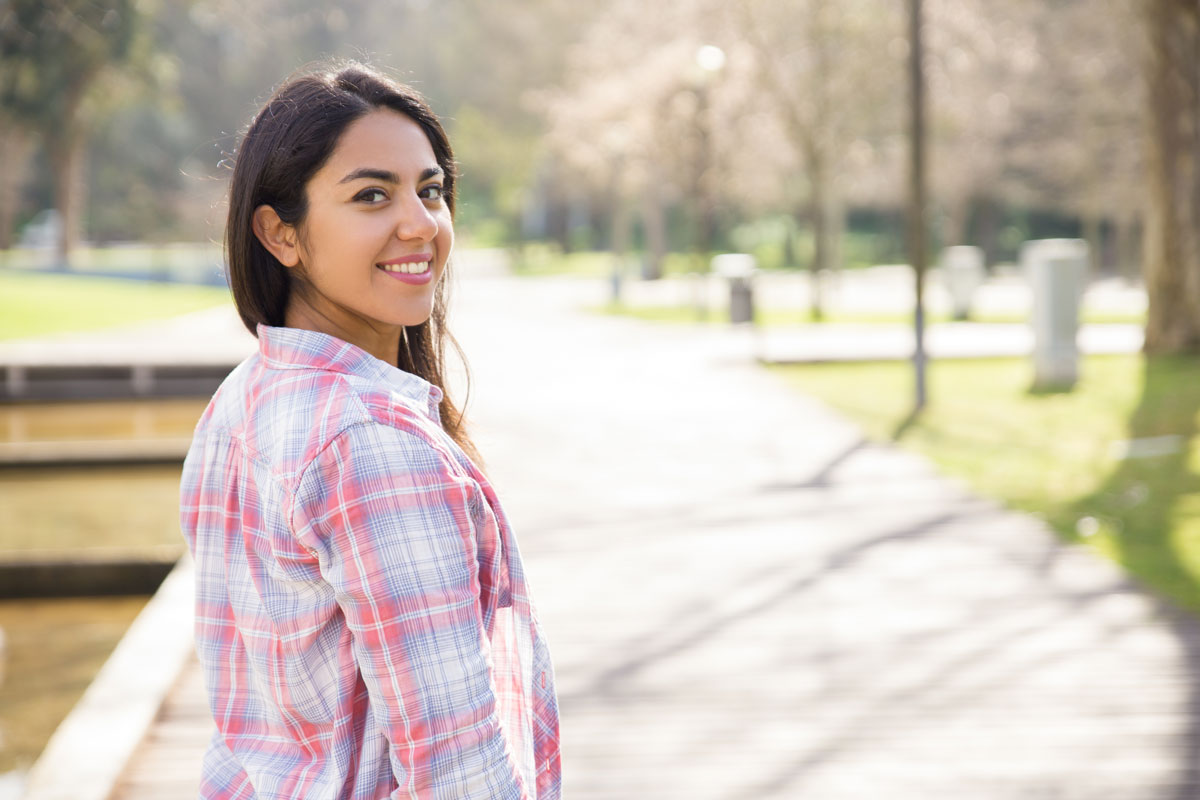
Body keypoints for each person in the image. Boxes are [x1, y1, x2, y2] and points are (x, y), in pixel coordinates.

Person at [180, 62, 561, 799]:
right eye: (371, 195)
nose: (419, 222)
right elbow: (455, 764)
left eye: (431, 190)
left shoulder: (244, 399)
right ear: (280, 233)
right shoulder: (369, 445)